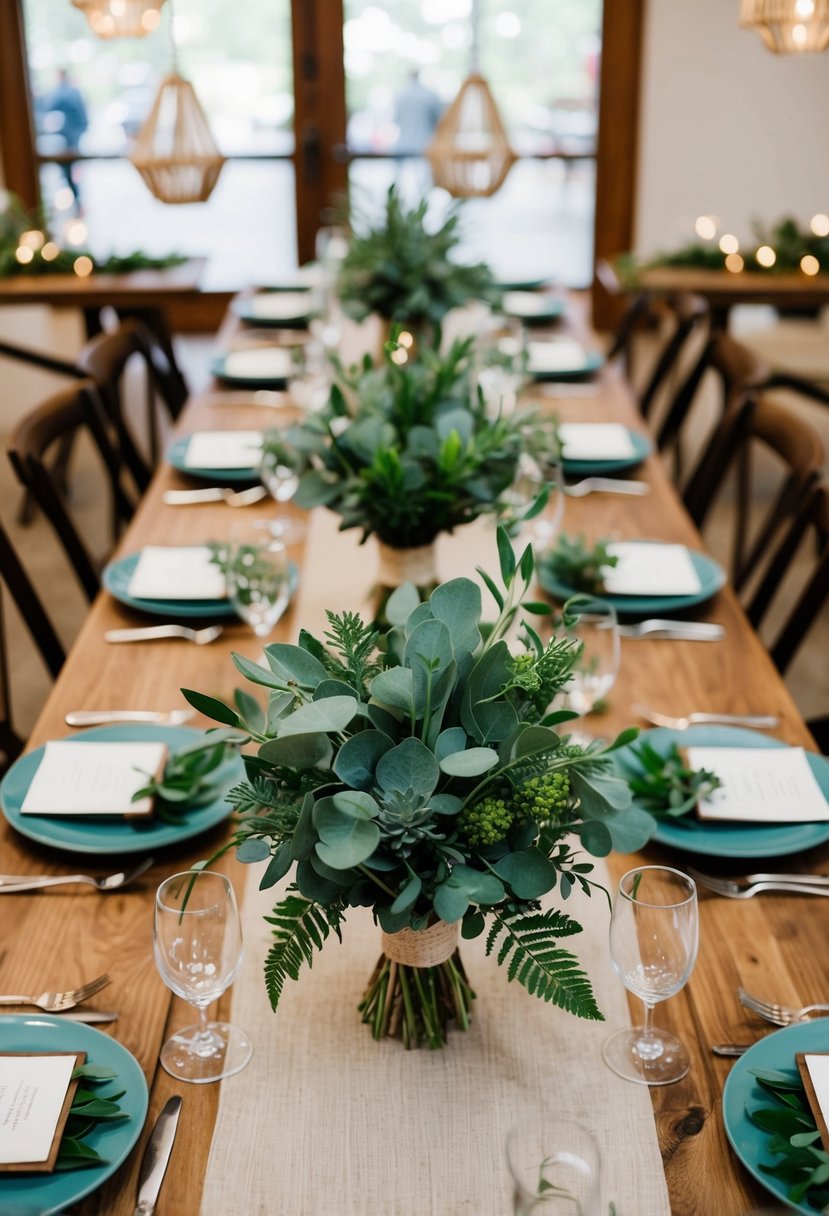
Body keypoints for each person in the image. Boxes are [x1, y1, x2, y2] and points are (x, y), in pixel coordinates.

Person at [393, 69, 444, 200]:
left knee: (402, 185)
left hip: (404, 144)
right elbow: (440, 120)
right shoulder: (429, 95)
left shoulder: (400, 95)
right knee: (423, 188)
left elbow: (396, 120)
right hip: (424, 144)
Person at [45, 68, 88, 208]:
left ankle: (73, 198)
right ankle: (74, 197)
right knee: (69, 167)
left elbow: (50, 107)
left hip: (68, 136)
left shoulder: (62, 92)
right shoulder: (73, 91)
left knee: (67, 167)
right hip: (73, 134)